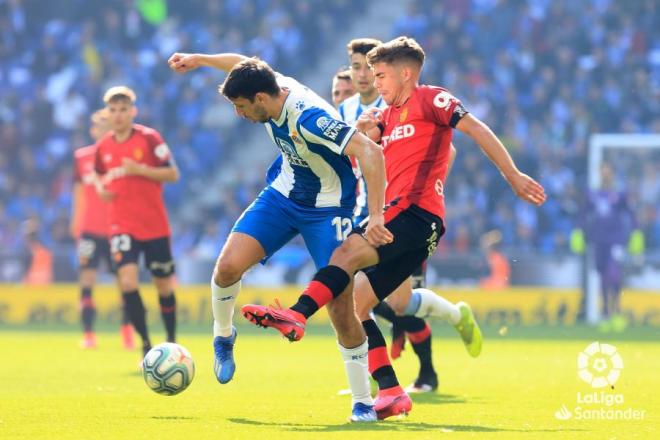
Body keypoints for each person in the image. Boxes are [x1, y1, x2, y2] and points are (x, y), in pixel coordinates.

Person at [242, 36, 547, 419]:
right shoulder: (385, 117)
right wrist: (364, 129)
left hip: (415, 213)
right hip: (406, 218)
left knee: (346, 254)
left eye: (381, 75)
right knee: (358, 304)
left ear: (406, 74)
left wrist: (513, 175)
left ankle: (298, 314)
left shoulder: (432, 99)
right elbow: (359, 152)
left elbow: (476, 130)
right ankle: (391, 391)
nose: (374, 83)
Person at [168, 52, 389, 422]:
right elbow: (243, 61)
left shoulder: (310, 118)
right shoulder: (269, 85)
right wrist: (201, 60)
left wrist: (377, 214)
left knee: (340, 307)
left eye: (241, 106)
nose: (239, 114)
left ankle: (363, 402)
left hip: (329, 208)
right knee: (226, 268)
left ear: (260, 99)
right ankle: (223, 336)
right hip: (284, 195)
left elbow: (369, 151)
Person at [340, 37, 480, 394]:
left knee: (394, 303)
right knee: (362, 298)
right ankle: (378, 382)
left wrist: (424, 189)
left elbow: (447, 149)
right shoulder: (352, 110)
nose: (360, 76)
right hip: (370, 212)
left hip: (407, 215)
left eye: (365, 69)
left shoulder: (415, 102)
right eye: (355, 68)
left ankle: (413, 367)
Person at [94, 86, 180, 362]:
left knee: (163, 286)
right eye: (113, 110)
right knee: (128, 281)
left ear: (133, 111)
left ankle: (171, 342)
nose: (118, 115)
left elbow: (173, 173)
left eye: (123, 110)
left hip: (154, 225)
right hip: (121, 225)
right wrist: (101, 188)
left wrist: (140, 169)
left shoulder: (149, 138)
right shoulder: (104, 146)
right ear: (108, 114)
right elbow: (98, 175)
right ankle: (145, 344)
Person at [71, 109, 134, 350]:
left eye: (108, 127)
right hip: (89, 230)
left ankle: (127, 330)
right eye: (100, 127)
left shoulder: (121, 156)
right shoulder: (81, 158)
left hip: (116, 229)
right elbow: (78, 192)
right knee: (87, 279)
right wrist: (75, 222)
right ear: (93, 130)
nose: (104, 131)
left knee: (124, 283)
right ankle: (88, 335)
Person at [575, 163, 638, 332]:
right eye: (603, 172)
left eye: (608, 172)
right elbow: (583, 214)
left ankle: (617, 312)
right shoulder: (592, 194)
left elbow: (630, 214)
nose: (605, 175)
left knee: (614, 274)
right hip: (598, 241)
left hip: (615, 241)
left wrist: (635, 233)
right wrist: (578, 232)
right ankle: (606, 314)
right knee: (603, 277)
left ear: (613, 174)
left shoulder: (620, 194)